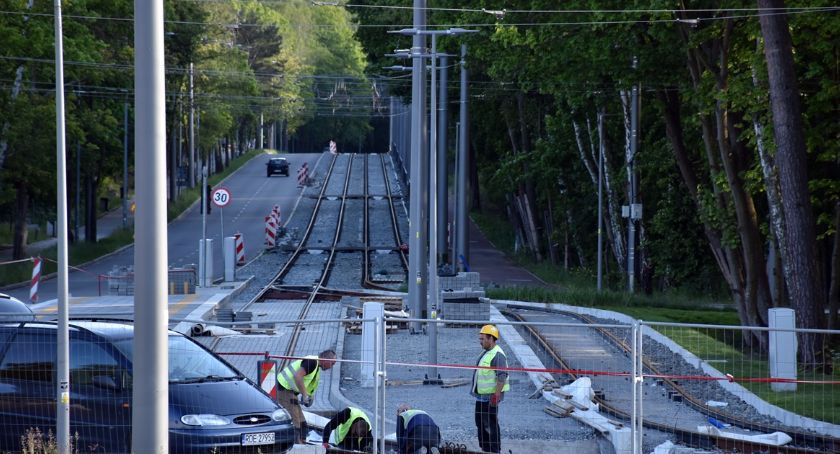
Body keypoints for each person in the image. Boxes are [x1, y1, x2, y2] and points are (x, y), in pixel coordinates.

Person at [276, 350, 337, 443]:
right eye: (332, 363)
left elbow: (307, 384)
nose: (332, 366)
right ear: (325, 359)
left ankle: (302, 444)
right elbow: (297, 376)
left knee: (302, 423)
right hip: (284, 389)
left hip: (289, 391)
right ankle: (296, 447)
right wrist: (304, 395)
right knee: (296, 423)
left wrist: (308, 396)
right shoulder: (312, 362)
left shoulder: (316, 367)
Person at [471, 324, 509, 453]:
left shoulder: (498, 355)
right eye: (480, 339)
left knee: (490, 425)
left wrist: (496, 396)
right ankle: (485, 448)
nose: (480, 342)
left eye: (483, 339)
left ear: (491, 339)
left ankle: (494, 450)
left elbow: (502, 377)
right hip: (482, 396)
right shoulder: (487, 352)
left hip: (490, 397)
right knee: (480, 424)